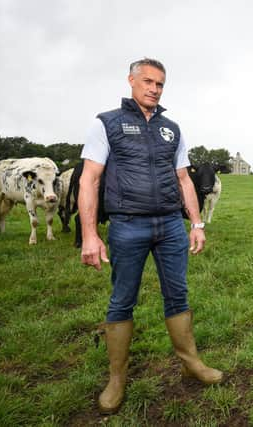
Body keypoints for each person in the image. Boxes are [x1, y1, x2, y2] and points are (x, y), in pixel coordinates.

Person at [79, 58, 223, 415]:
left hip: (170, 226)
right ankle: (117, 379)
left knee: (178, 295)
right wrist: (89, 235)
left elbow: (185, 180)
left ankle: (191, 363)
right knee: (121, 301)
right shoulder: (107, 123)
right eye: (147, 82)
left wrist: (196, 223)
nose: (154, 89)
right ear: (131, 80)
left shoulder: (171, 129)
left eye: (160, 84)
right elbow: (89, 180)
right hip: (128, 225)